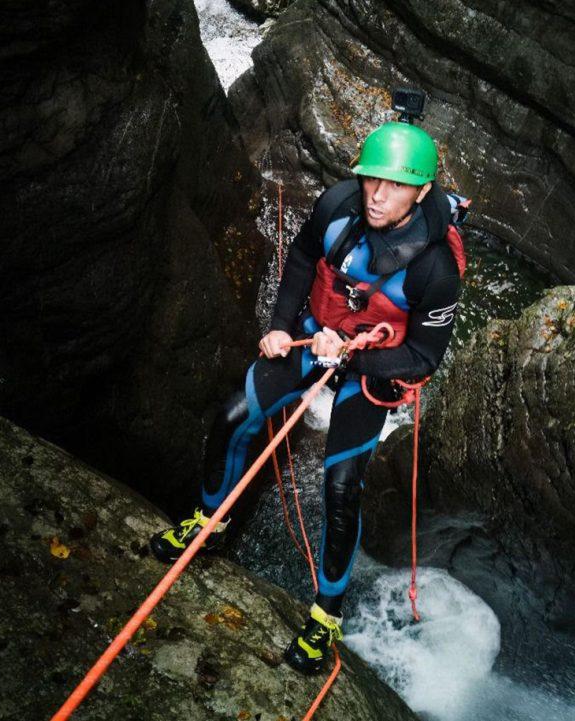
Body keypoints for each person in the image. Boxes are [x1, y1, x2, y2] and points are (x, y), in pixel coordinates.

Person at [150, 119, 466, 674]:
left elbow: (423, 357)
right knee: (233, 417)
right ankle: (209, 525)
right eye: (371, 179)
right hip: (314, 335)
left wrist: (351, 357)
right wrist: (278, 325)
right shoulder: (338, 206)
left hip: (372, 368)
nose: (377, 195)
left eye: (394, 186)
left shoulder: (436, 268)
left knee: (341, 487)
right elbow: (300, 260)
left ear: (421, 193)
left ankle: (326, 614)